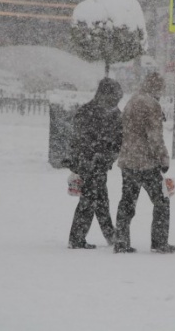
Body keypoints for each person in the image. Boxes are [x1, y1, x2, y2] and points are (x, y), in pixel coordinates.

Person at [114, 72, 175, 254]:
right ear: (157, 87)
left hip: (127, 160)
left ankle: (121, 241)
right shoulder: (151, 105)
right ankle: (159, 242)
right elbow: (154, 137)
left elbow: (122, 130)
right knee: (161, 201)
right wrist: (163, 159)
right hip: (146, 162)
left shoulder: (132, 101)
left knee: (127, 201)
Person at [67, 78, 123, 249]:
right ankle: (77, 238)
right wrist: (100, 154)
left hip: (95, 161)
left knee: (100, 198)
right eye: (114, 97)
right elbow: (81, 139)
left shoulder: (92, 111)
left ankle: (109, 234)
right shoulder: (94, 112)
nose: (116, 101)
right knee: (90, 200)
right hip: (91, 162)